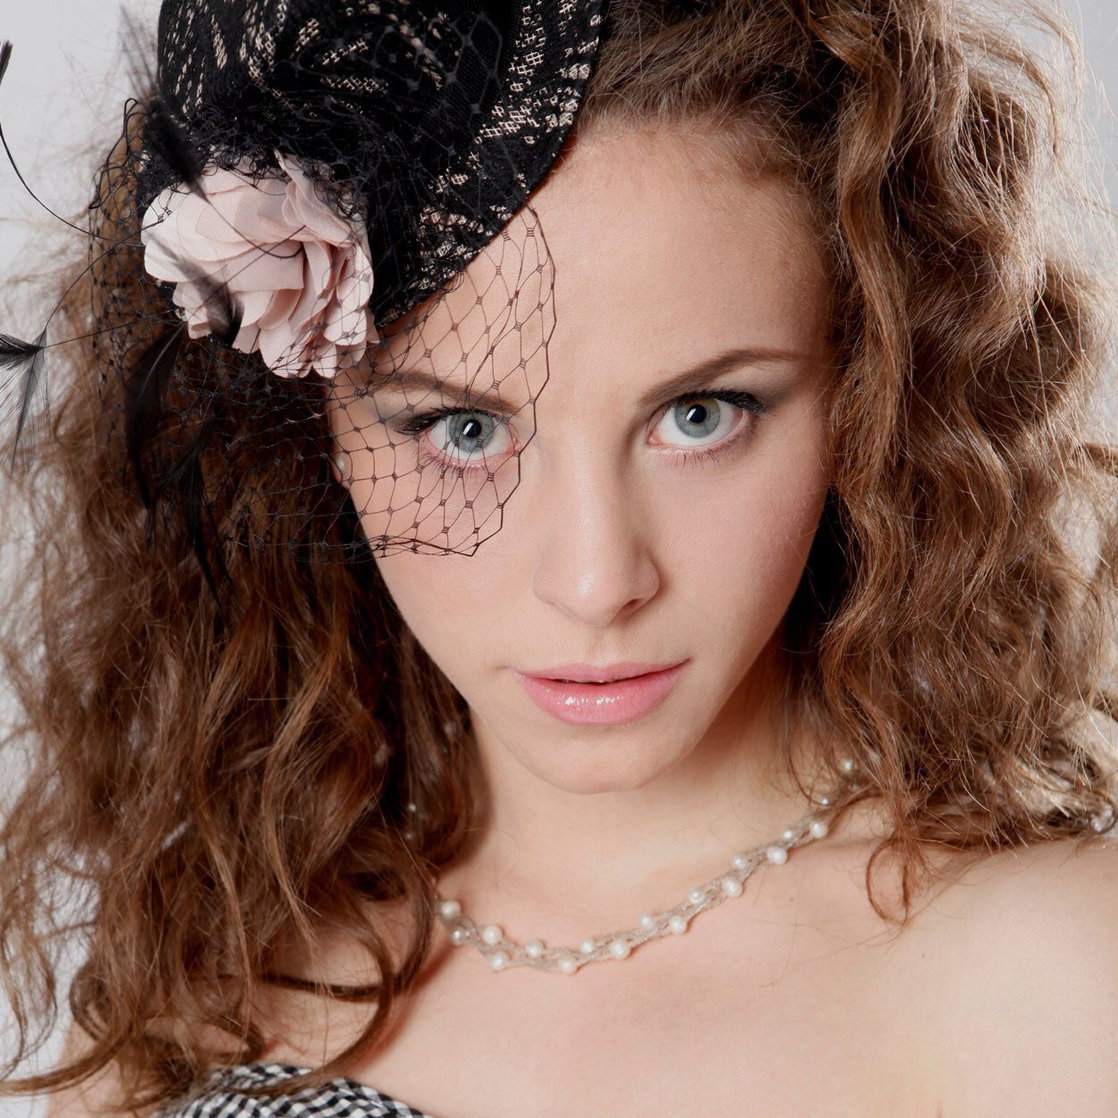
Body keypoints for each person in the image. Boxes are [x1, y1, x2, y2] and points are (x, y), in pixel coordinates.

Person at [1, 0, 1116, 1114]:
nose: (595, 583)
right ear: (316, 432)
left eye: (700, 415)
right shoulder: (197, 978)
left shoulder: (1051, 973)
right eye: (461, 430)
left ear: (867, 397)